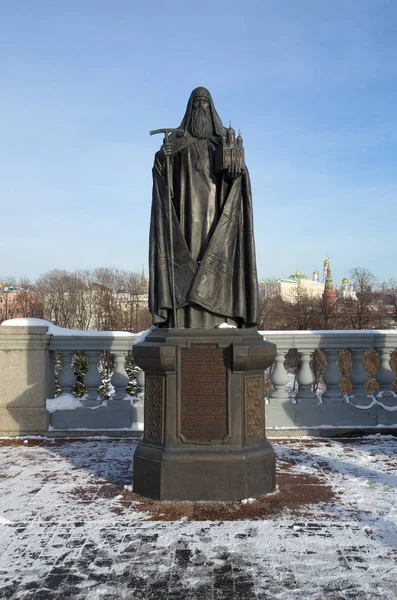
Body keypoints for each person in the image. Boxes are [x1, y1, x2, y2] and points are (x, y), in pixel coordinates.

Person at [149, 86, 259, 328]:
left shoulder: (221, 143)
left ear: (212, 109)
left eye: (204, 103)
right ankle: (185, 316)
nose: (200, 107)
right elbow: (162, 177)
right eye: (196, 103)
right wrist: (162, 157)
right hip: (184, 215)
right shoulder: (177, 142)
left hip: (217, 213)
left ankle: (221, 316)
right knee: (187, 254)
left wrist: (236, 172)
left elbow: (239, 178)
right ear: (190, 108)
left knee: (216, 253)